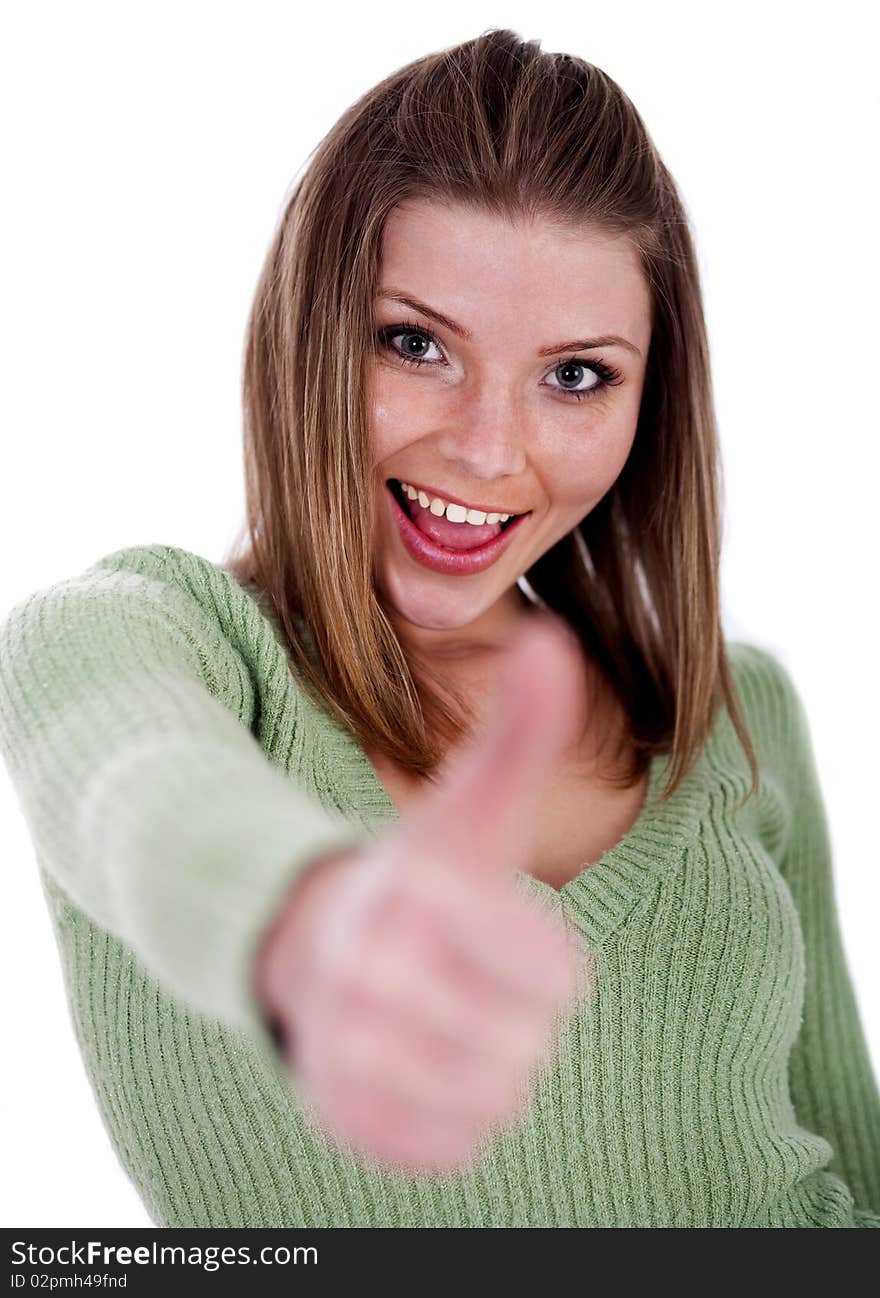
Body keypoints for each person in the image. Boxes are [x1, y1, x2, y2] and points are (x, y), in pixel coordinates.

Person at [1, 28, 878, 1229]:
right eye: (416, 343)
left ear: (647, 395)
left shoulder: (728, 702)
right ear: (311, 336)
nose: (486, 449)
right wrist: (300, 913)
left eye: (575, 375)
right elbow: (133, 786)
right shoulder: (150, 638)